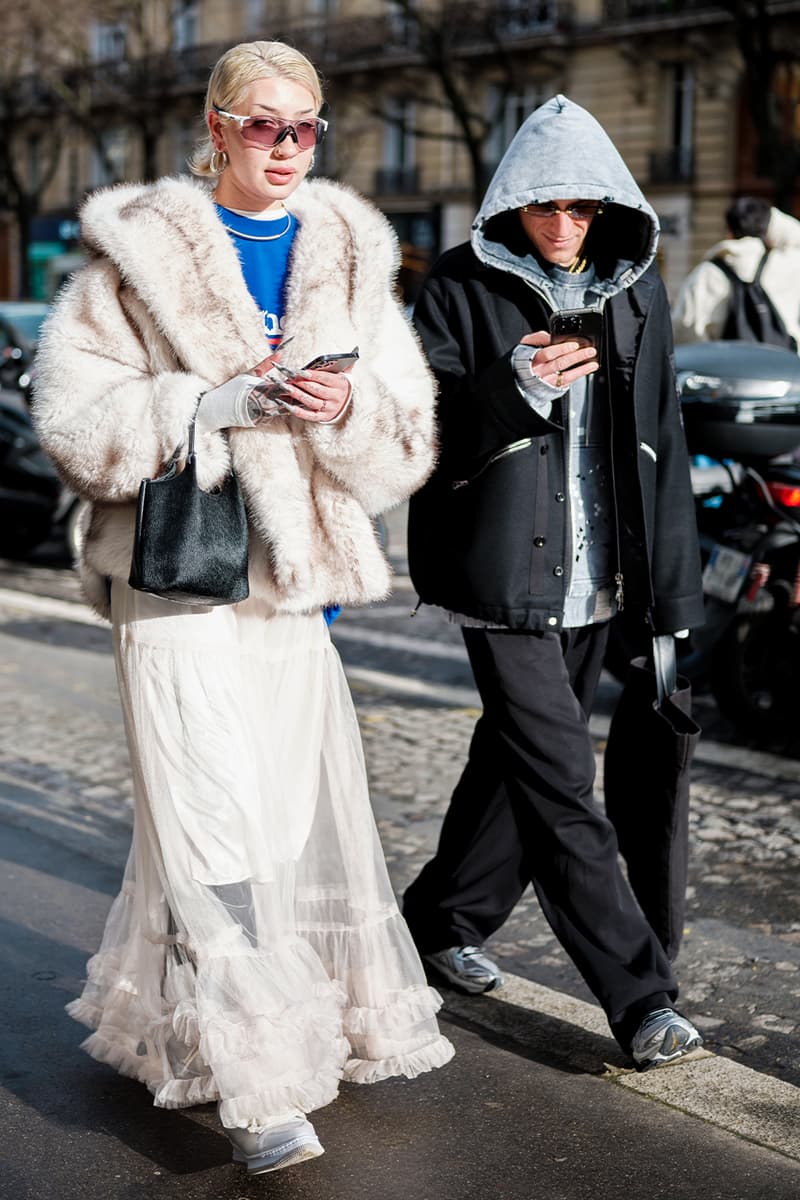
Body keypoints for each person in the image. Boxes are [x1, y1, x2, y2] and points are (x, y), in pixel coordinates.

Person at [33, 40, 453, 1176]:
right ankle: (259, 1084)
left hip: (293, 581)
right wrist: (207, 403)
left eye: (305, 126)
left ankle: (196, 1017)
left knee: (268, 818)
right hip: (174, 571)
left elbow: (403, 437)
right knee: (203, 805)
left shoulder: (351, 251)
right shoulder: (133, 257)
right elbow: (71, 419)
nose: (287, 146)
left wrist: (343, 402)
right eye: (265, 124)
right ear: (217, 126)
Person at [403, 94, 706, 1071]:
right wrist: (516, 389)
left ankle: (439, 919)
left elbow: (661, 439)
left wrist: (671, 597)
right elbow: (420, 439)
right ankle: (639, 996)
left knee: (513, 764)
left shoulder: (637, 290)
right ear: (510, 204)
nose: (563, 225)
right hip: (495, 576)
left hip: (602, 577)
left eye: (580, 208)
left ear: (608, 207)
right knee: (562, 781)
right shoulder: (455, 285)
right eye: (545, 207)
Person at [672, 196, 800, 348]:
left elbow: (684, 331)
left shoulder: (707, 273)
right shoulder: (786, 263)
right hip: (783, 367)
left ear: (729, 231)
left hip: (724, 369)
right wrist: (764, 217)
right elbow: (795, 234)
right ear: (769, 230)